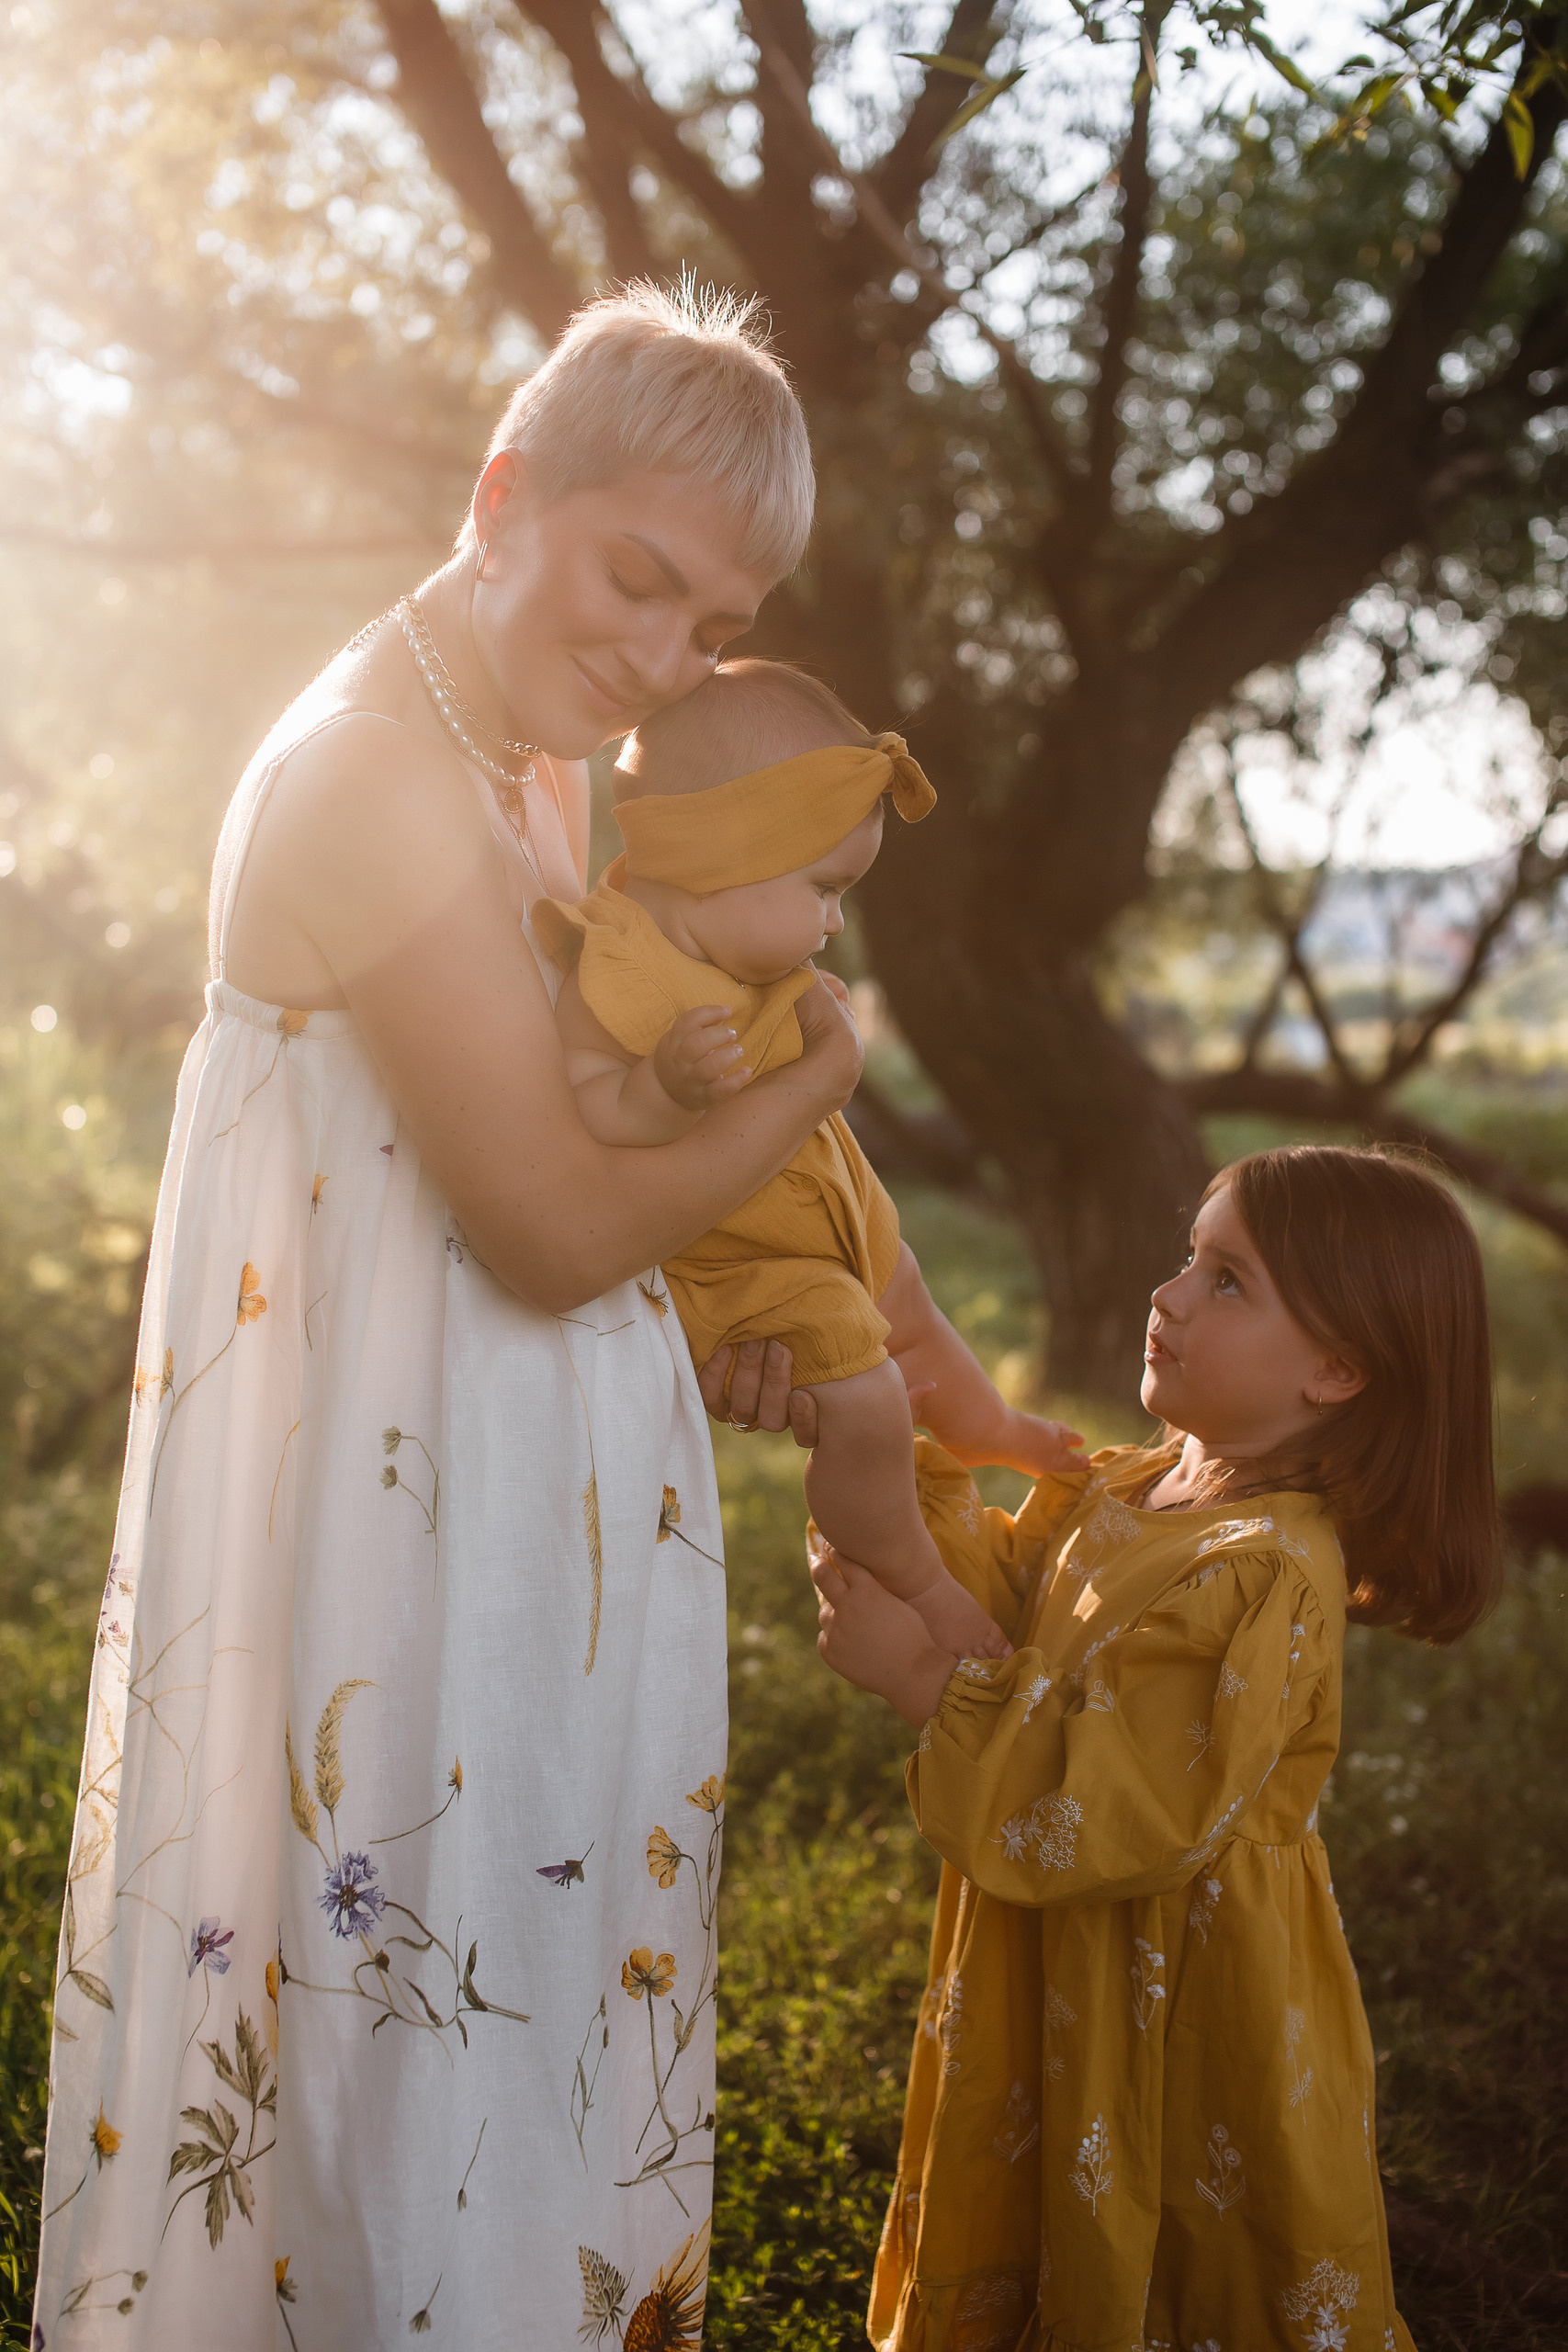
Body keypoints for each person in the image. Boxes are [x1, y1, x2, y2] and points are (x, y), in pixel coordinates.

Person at [34, 281, 864, 2351]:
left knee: (507, 2043)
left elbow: (575, 1160)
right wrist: (803, 1087)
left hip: (510, 1521)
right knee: (393, 2053)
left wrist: (729, 1317)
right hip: (394, 1555)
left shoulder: (522, 754)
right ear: (506, 494)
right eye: (633, 580)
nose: (658, 657)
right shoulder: (380, 775)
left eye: (706, 624)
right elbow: (551, 1225)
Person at [810, 1145, 1503, 2352]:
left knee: (1164, 2236)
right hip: (1053, 1956)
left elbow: (1122, 1807)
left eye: (1225, 1282)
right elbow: (1004, 1613)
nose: (1166, 1296)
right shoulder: (1132, 1489)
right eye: (1188, 1258)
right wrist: (885, 1465)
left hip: (1170, 1992)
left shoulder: (1259, 1576)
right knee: (1035, 2187)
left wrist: (924, 1679)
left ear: (1337, 1368)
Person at [534, 659, 1085, 1664]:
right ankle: (915, 1576)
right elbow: (582, 1107)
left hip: (832, 1217)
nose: (835, 921)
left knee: (908, 1297)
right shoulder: (618, 964)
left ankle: (988, 1422)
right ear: (722, 856)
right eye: (825, 889)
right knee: (865, 1390)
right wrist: (659, 1089)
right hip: (746, 1269)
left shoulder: (760, 960)